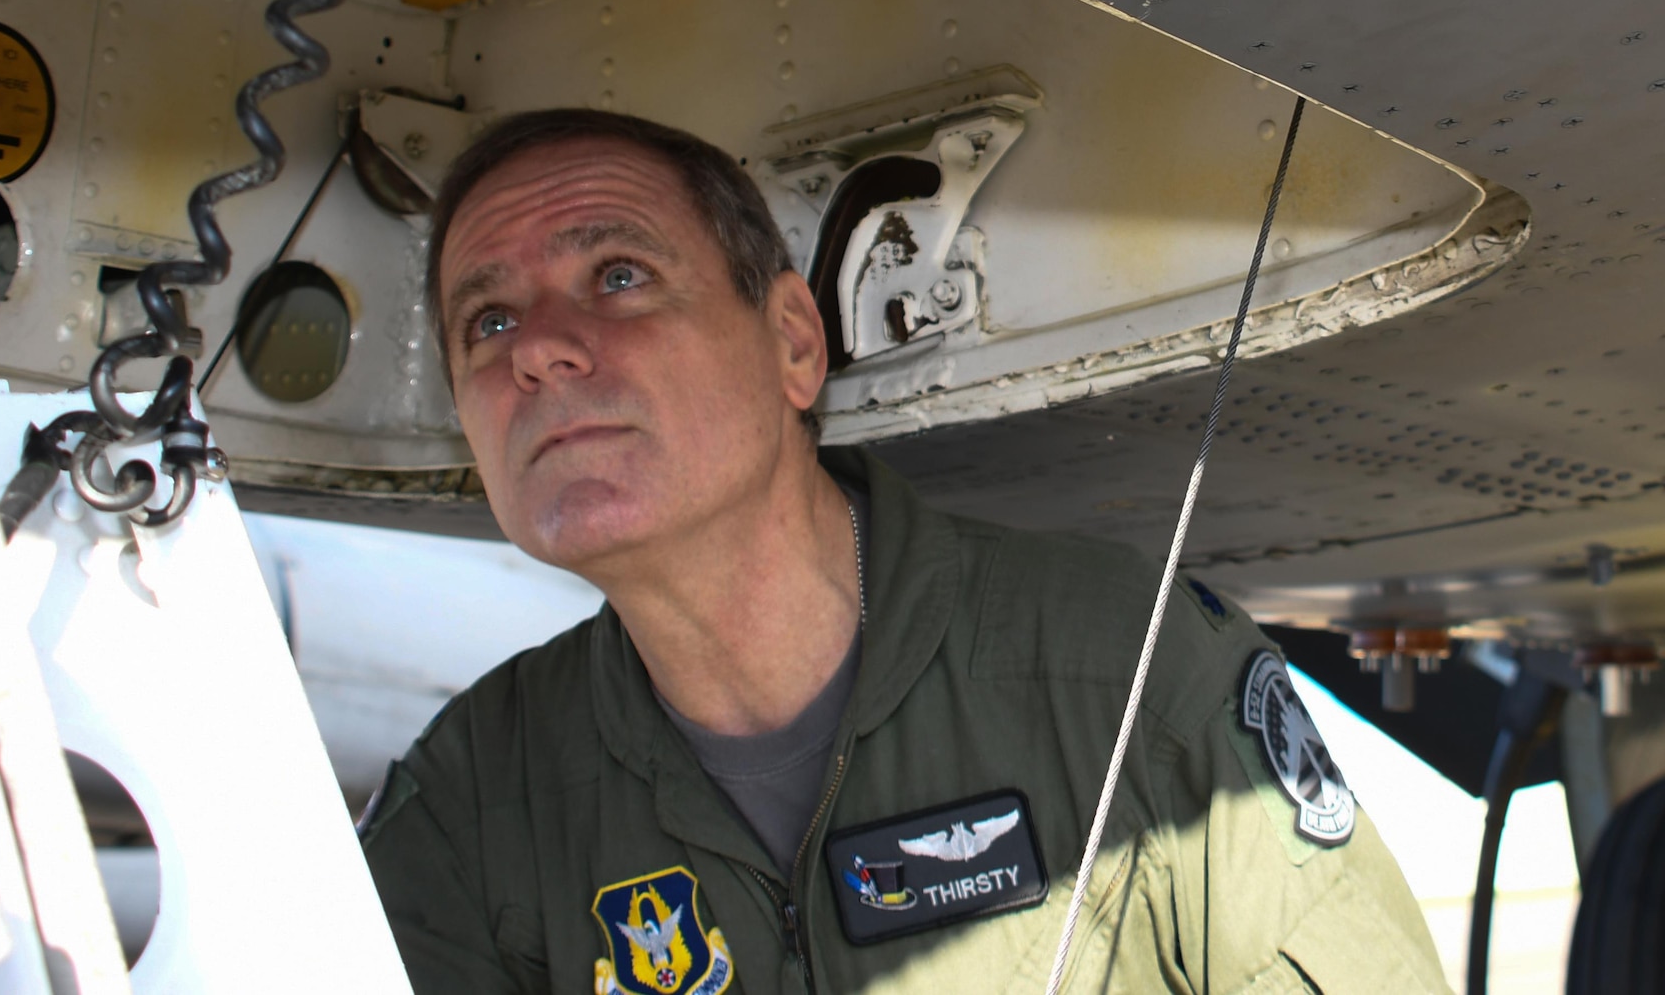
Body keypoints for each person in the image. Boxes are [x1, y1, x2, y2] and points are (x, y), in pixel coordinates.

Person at [359, 108, 1448, 994]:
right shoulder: (473, 804)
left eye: (616, 277)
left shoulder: (1115, 664)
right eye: (487, 324)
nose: (539, 349)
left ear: (791, 342)